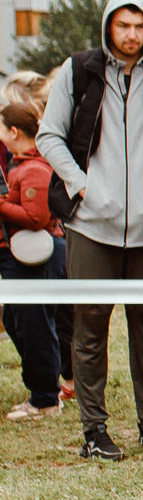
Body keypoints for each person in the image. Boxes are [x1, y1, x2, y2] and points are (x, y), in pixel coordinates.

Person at [36, 0, 143, 460]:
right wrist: (82, 186)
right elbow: (49, 136)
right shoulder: (79, 70)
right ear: (109, 25)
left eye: (140, 26)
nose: (132, 35)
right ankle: (94, 430)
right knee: (89, 329)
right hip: (91, 226)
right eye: (123, 25)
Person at [1, 101, 67, 420]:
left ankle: (45, 399)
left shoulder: (34, 169)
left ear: (13, 131)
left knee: (36, 326)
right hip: (20, 258)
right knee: (18, 323)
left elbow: (37, 217)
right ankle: (41, 390)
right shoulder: (21, 164)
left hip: (35, 260)